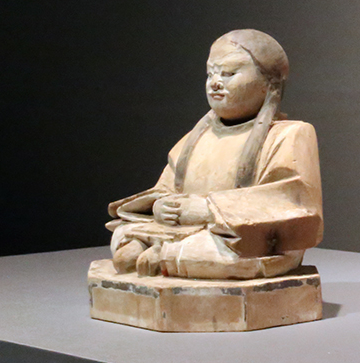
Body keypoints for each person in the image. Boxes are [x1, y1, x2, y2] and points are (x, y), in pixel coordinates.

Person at [106, 29, 322, 280]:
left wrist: (209, 210)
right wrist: (161, 206)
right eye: (211, 74)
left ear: (268, 83)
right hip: (183, 229)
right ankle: (162, 252)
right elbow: (165, 189)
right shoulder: (193, 139)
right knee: (123, 230)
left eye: (229, 74)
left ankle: (163, 255)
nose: (215, 82)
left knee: (225, 251)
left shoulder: (290, 134)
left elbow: (294, 202)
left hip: (241, 238)